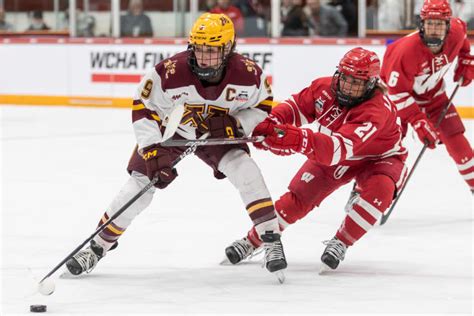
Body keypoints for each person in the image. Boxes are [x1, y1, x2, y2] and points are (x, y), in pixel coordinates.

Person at [65, 13, 287, 278]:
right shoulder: (169, 72)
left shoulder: (249, 74)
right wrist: (151, 149)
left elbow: (262, 107)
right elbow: (143, 106)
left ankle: (271, 240)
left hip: (215, 136)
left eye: (212, 51)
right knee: (139, 187)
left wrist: (236, 124)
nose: (204, 57)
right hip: (173, 132)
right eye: (199, 49)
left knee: (246, 170)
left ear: (229, 49)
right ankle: (98, 246)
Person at [224, 47, 408, 271]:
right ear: (338, 74)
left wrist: (292, 139)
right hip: (338, 151)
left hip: (379, 158)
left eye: (356, 83)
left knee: (381, 189)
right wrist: (271, 124)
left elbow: (335, 151)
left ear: (370, 84)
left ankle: (342, 241)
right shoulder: (324, 88)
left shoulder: (375, 110)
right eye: (345, 78)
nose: (348, 87)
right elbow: (295, 107)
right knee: (298, 198)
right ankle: (253, 240)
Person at [381, 0, 474, 192]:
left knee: (456, 137)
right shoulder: (404, 52)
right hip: (397, 101)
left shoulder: (456, 31)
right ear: (421, 24)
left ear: (448, 26)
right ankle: (364, 190)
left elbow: (463, 38)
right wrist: (417, 120)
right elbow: (396, 93)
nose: (434, 29)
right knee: (389, 146)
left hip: (434, 97)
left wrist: (466, 59)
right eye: (429, 23)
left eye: (439, 24)